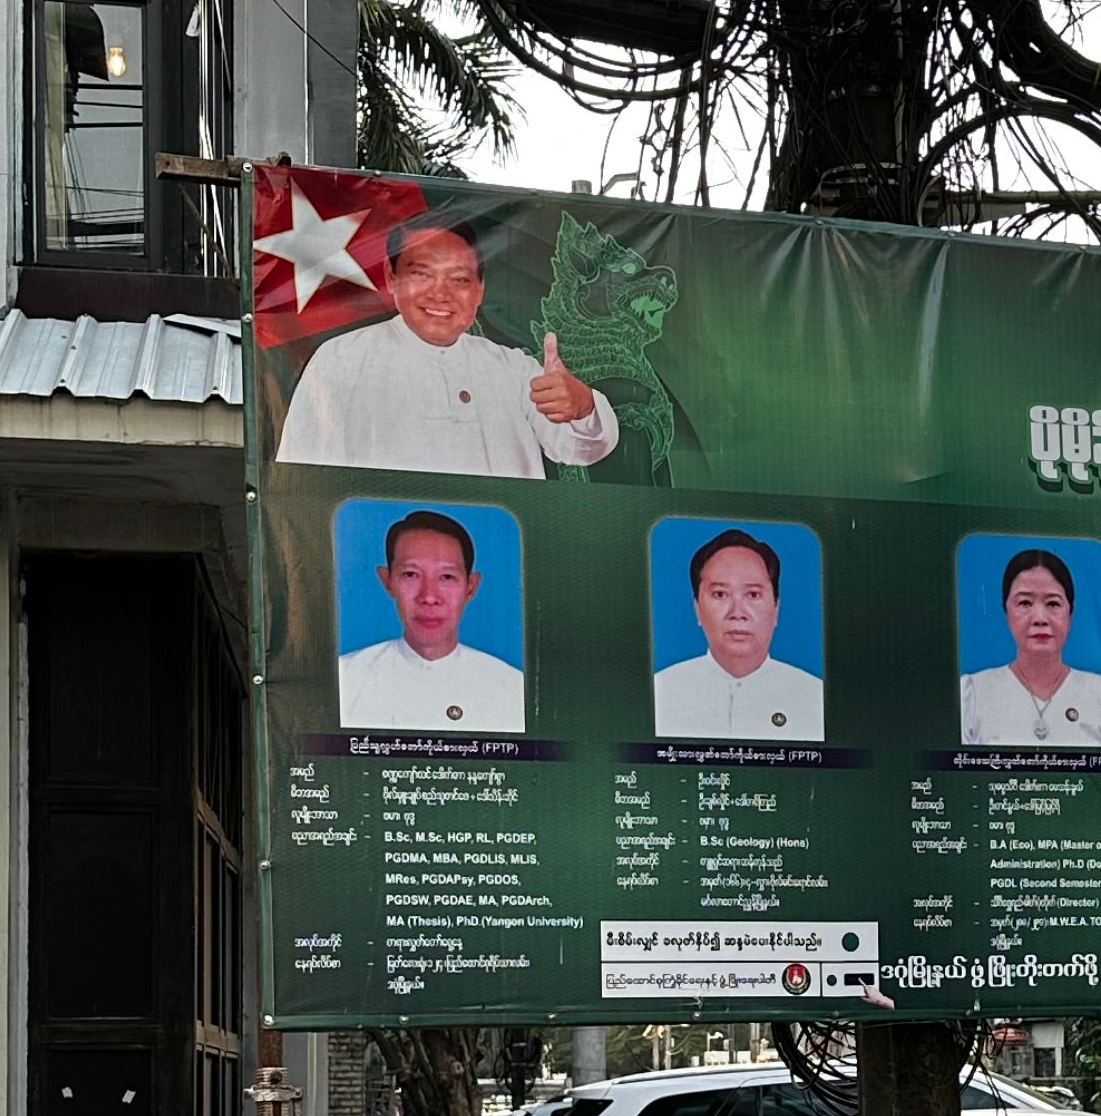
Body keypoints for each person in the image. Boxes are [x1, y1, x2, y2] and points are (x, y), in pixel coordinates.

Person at [276, 220, 618, 476]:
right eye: (421, 275)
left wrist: (583, 405)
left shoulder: (514, 371)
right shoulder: (340, 361)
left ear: (480, 289)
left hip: (500, 556)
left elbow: (582, 449)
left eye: (459, 280)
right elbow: (302, 483)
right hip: (379, 559)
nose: (440, 294)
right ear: (391, 277)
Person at [334, 508, 527, 731]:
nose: (429, 597)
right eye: (410, 575)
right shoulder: (344, 679)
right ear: (387, 581)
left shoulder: (512, 688)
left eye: (447, 577)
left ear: (470, 587)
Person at [653, 526, 824, 742]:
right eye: (720, 594)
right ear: (697, 608)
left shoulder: (815, 697)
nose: (737, 613)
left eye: (753, 594)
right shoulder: (660, 693)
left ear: (776, 608)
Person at [959, 546, 1101, 747]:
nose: (1040, 618)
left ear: (1070, 613)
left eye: (1053, 604)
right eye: (1025, 603)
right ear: (1006, 612)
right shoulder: (971, 694)